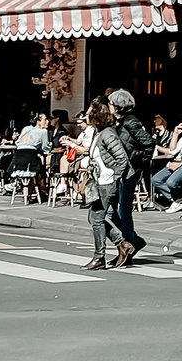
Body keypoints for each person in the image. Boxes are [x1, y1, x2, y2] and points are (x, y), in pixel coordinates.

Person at [78, 97, 134, 271]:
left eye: (90, 111)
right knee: (94, 217)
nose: (86, 113)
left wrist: (113, 177)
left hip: (106, 182)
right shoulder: (99, 132)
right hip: (101, 181)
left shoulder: (108, 133)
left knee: (97, 219)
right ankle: (122, 244)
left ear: (97, 114)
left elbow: (122, 158)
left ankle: (99, 257)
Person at [109, 89, 155, 261]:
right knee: (115, 210)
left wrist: (138, 163)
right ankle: (132, 241)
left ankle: (129, 245)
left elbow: (148, 143)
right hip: (124, 170)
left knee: (124, 211)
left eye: (111, 104)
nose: (109, 106)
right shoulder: (120, 122)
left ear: (118, 106)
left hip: (130, 171)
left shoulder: (130, 122)